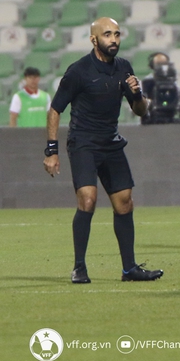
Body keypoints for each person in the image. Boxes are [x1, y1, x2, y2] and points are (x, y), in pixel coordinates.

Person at [42, 17, 163, 284]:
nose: (114, 40)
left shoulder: (124, 68)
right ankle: (79, 268)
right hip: (83, 143)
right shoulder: (79, 71)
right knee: (88, 199)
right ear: (94, 39)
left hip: (111, 143)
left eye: (117, 34)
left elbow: (139, 110)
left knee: (125, 202)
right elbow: (55, 109)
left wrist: (138, 93)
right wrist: (51, 150)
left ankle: (129, 269)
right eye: (107, 34)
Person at [140, 52, 180, 125]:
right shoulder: (147, 82)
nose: (161, 66)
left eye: (164, 63)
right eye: (158, 64)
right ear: (152, 65)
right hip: (152, 117)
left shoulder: (175, 80)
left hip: (171, 114)